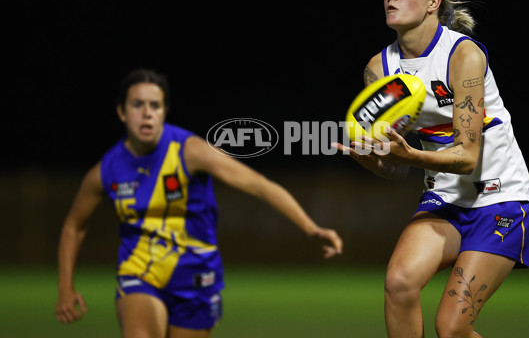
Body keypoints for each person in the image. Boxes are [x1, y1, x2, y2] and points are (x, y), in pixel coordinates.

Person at [333, 0, 529, 338]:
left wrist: (410, 154)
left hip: (501, 198)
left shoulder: (463, 56)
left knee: (452, 327)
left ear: (433, 3)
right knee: (399, 283)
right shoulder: (379, 70)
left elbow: (467, 155)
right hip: (445, 200)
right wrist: (369, 157)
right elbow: (396, 169)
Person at [55, 68, 343, 338]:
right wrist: (65, 287)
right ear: (121, 111)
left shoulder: (190, 151)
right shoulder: (106, 170)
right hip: (139, 271)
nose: (147, 114)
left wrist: (310, 228)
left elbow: (260, 186)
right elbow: (73, 227)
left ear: (165, 112)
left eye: (155, 106)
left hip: (196, 277)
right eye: (137, 104)